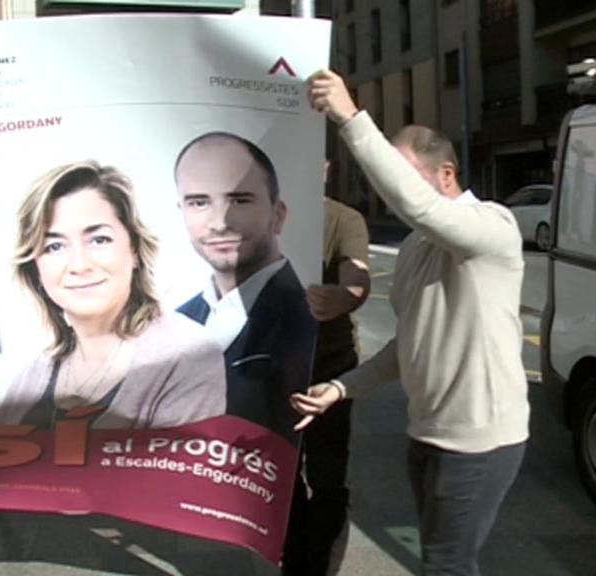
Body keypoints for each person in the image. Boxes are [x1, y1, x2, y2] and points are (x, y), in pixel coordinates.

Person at [293, 69, 529, 576]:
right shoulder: (417, 246)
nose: (393, 190)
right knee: (444, 559)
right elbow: (410, 345)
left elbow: (416, 204)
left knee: (445, 565)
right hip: (427, 433)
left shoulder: (492, 228)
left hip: (479, 440)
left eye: (406, 175)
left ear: (447, 174)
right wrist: (341, 386)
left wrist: (352, 119)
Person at [0, 161, 226, 429]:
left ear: (135, 250)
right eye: (54, 246)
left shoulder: (187, 355)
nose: (79, 265)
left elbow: (181, 470)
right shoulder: (33, 375)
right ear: (35, 268)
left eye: (99, 240)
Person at [173, 131, 317, 443]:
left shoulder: (310, 317)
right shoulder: (174, 323)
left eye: (239, 200)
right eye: (199, 202)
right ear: (181, 213)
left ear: (277, 215)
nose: (219, 222)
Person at [282, 169, 371, 576]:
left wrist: (343, 297)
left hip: (329, 369)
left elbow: (357, 279)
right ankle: (296, 560)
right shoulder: (259, 214)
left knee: (329, 478)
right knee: (281, 474)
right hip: (274, 370)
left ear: (325, 170)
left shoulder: (342, 218)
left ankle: (317, 567)